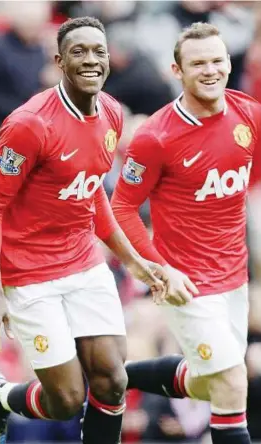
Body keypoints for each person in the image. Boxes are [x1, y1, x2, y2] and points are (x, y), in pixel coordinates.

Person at [0, 17, 167, 444]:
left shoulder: (113, 114)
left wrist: (133, 259)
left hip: (83, 262)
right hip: (30, 274)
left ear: (109, 59)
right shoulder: (29, 125)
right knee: (66, 399)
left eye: (99, 51)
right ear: (59, 61)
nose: (91, 60)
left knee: (112, 381)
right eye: (78, 51)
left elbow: (91, 191)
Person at [112, 22, 261, 444]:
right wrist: (158, 269)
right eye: (198, 63)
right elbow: (120, 207)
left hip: (234, 276)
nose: (210, 70)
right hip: (185, 282)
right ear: (177, 71)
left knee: (210, 383)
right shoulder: (156, 136)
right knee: (232, 381)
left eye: (217, 60)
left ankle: (115, 377)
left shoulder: (249, 114)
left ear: (229, 63)